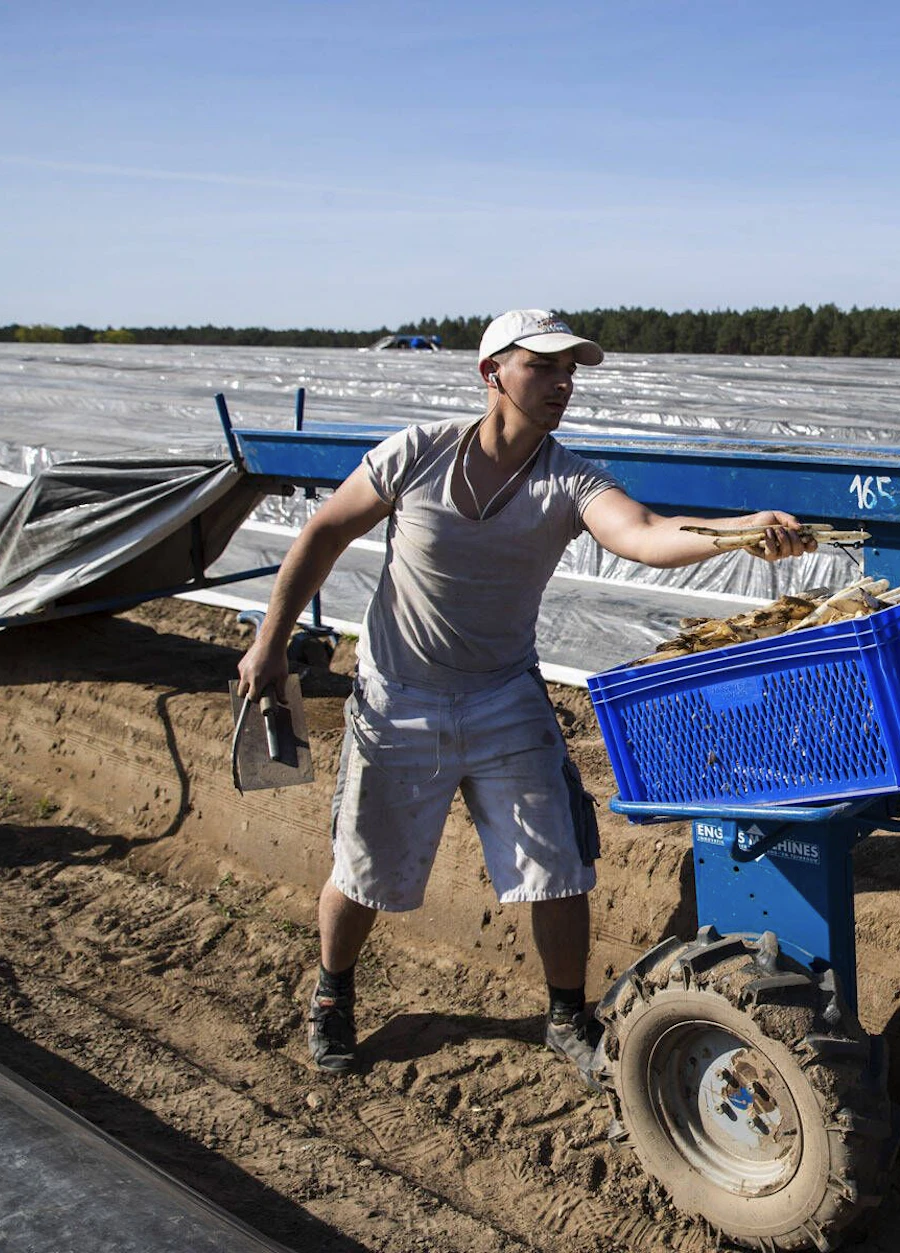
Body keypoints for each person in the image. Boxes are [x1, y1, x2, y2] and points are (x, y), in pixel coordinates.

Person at [235, 308, 816, 1080]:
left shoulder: (567, 479)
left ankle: (566, 1015)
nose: (562, 382)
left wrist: (740, 531)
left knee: (560, 866)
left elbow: (644, 531)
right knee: (364, 868)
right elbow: (322, 533)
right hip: (397, 694)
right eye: (543, 366)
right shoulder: (420, 452)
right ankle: (333, 995)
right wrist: (269, 643)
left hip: (505, 694)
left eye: (569, 370)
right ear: (492, 374)